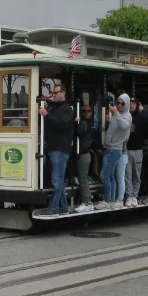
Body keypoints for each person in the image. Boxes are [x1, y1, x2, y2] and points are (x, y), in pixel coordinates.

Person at [37, 84, 74, 216]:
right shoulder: (56, 108)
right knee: (58, 180)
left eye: (56, 92)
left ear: (63, 93)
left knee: (57, 180)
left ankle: (54, 209)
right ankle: (63, 207)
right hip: (53, 148)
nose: (54, 95)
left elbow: (62, 124)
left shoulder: (68, 109)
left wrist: (47, 114)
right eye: (53, 93)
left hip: (60, 149)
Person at [95, 94, 131, 210]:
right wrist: (110, 120)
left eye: (122, 103)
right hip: (110, 148)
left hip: (114, 150)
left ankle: (107, 200)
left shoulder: (126, 116)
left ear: (126, 105)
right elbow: (116, 128)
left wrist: (115, 113)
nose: (119, 105)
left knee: (105, 176)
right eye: (118, 103)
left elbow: (124, 126)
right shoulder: (118, 115)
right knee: (110, 176)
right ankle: (111, 200)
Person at [72, 104, 99, 213]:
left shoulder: (85, 123)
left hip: (84, 154)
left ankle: (87, 202)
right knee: (81, 178)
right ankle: (87, 202)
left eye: (88, 111)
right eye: (84, 111)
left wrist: (75, 124)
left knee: (83, 179)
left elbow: (80, 132)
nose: (86, 113)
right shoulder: (85, 123)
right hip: (81, 153)